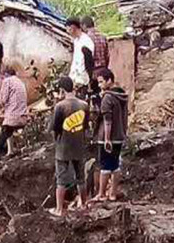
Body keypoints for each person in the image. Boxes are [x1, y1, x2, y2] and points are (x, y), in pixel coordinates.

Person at [48, 77, 89, 217]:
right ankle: (83, 204)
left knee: (61, 179)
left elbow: (55, 128)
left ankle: (59, 209)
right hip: (79, 145)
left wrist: (56, 142)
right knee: (80, 177)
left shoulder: (60, 106)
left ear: (61, 90)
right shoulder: (84, 105)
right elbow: (85, 126)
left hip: (63, 147)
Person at [93, 69, 129, 202]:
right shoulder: (121, 95)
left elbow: (107, 121)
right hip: (119, 136)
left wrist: (107, 138)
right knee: (115, 165)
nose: (99, 85)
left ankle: (102, 194)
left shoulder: (108, 98)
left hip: (107, 138)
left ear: (109, 80)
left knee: (105, 166)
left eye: (101, 81)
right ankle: (112, 193)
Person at [81, 16, 109, 91]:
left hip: (93, 72)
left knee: (93, 96)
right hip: (103, 71)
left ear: (84, 26)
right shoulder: (103, 36)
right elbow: (107, 55)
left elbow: (86, 58)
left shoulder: (86, 38)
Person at [66, 18, 94, 92]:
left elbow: (88, 62)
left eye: (68, 30)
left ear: (73, 28)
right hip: (75, 79)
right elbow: (75, 60)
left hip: (83, 80)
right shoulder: (76, 41)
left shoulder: (86, 41)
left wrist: (87, 79)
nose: (68, 32)